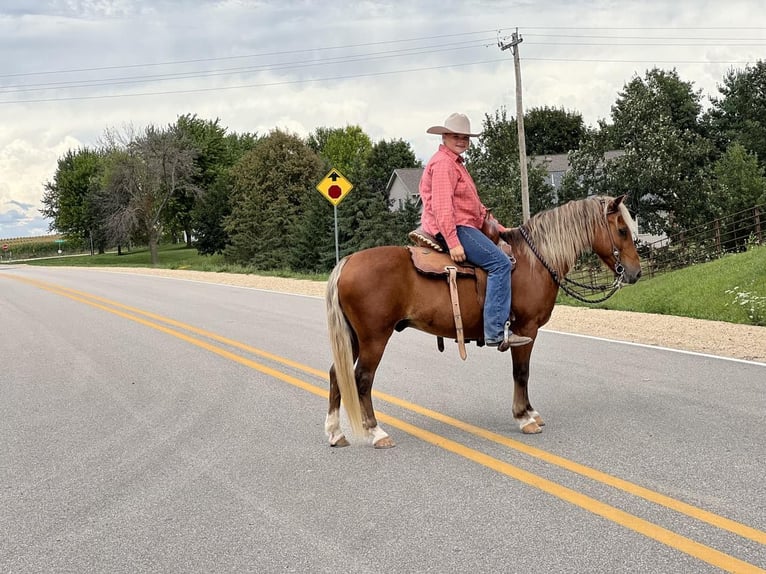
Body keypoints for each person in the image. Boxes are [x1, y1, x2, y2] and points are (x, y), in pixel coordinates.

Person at [418, 112, 532, 351]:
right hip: (454, 228)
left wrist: (503, 230)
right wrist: (453, 241)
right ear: (445, 136)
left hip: (464, 225)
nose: (461, 141)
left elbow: (477, 209)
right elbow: (442, 207)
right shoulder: (443, 165)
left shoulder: (456, 164)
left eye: (465, 137)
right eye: (456, 136)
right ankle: (495, 331)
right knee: (500, 263)